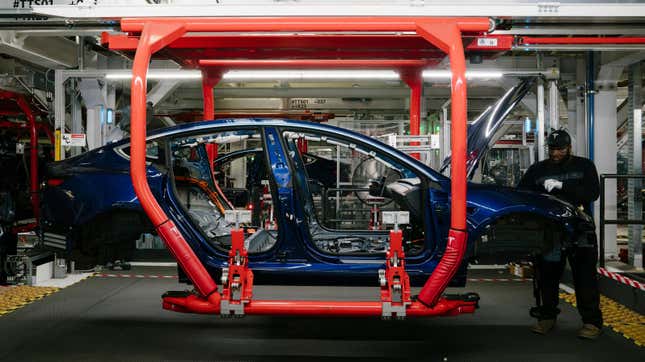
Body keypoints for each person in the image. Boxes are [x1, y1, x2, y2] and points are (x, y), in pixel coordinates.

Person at [518, 129, 603, 340]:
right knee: (547, 277)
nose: (556, 153)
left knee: (585, 279)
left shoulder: (584, 166)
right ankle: (547, 318)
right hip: (550, 232)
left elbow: (592, 193)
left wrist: (563, 185)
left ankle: (592, 323)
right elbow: (521, 194)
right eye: (553, 149)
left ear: (569, 148)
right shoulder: (538, 170)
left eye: (560, 149)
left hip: (579, 230)